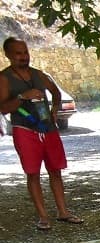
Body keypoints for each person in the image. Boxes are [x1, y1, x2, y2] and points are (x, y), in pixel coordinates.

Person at [0, 37, 82, 231]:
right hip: (25, 129)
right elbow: (2, 108)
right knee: (33, 173)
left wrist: (54, 108)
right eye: (18, 53)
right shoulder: (4, 78)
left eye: (25, 52)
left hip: (48, 128)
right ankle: (43, 216)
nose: (23, 57)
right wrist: (22, 97)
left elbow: (56, 92)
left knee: (56, 170)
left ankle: (63, 211)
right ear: (8, 55)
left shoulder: (39, 74)